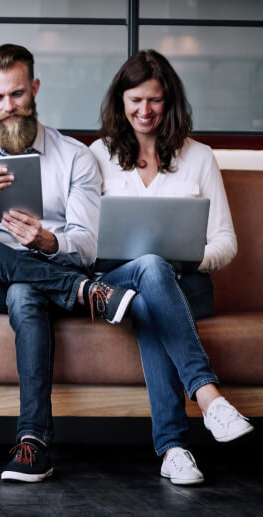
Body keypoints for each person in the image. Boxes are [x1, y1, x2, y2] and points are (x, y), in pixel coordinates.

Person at [0, 44, 137, 483]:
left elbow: (87, 245)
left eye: (19, 94)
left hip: (40, 279)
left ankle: (34, 442)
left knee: (25, 291)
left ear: (35, 89)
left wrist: (46, 240)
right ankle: (84, 292)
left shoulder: (75, 156)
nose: (10, 107)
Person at [90, 49, 253, 485]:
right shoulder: (98, 155)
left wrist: (184, 258)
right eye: (135, 100)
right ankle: (209, 399)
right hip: (116, 283)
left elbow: (226, 242)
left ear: (170, 101)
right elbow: (82, 242)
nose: (145, 111)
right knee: (147, 269)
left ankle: (175, 449)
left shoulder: (199, 157)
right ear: (120, 101)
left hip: (185, 286)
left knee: (153, 288)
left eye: (155, 101)